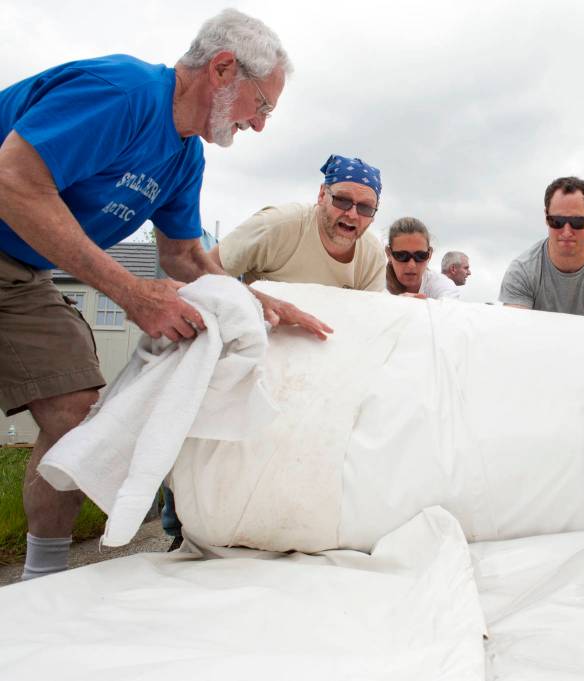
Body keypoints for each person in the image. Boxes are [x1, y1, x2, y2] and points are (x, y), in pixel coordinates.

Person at [0, 9, 331, 581]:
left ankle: (41, 578)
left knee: (77, 415)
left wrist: (256, 302)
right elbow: (13, 180)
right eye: (263, 105)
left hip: (22, 272)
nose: (260, 125)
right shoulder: (122, 93)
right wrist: (131, 292)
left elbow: (185, 257)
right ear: (223, 69)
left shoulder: (185, 157)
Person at [212, 155, 386, 291]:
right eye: (342, 200)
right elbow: (201, 272)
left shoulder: (372, 255)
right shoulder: (276, 226)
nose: (353, 214)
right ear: (322, 195)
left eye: (365, 207)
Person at [500, 176, 584, 319]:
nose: (566, 232)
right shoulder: (521, 272)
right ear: (546, 217)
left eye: (577, 222)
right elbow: (516, 333)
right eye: (557, 221)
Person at [385, 217, 460, 299]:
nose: (411, 265)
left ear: (430, 254)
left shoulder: (441, 284)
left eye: (420, 256)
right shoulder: (374, 282)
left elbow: (449, 304)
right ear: (389, 254)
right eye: (402, 256)